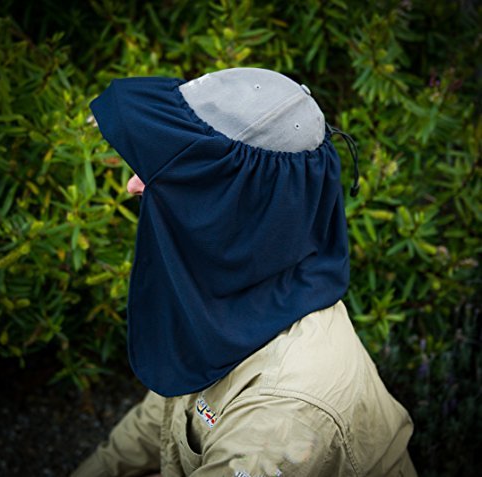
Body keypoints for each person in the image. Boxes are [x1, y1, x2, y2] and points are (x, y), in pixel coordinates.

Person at [71, 68, 417, 477]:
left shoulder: (278, 421)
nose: (133, 185)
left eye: (169, 172)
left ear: (226, 207)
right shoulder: (231, 296)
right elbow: (158, 422)